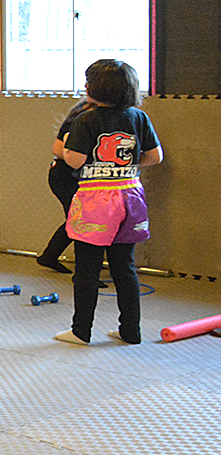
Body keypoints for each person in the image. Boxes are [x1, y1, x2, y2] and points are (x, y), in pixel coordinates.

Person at [55, 60, 162, 346]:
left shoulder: (85, 120)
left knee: (87, 268)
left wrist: (68, 147)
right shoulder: (139, 117)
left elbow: (75, 159)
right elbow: (155, 156)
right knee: (124, 267)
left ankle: (80, 331)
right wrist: (123, 165)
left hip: (97, 202)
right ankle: (131, 331)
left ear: (97, 88)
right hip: (130, 197)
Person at [35, 98, 92, 273]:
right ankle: (85, 271)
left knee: (76, 220)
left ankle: (49, 256)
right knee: (80, 221)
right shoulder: (84, 114)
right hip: (65, 176)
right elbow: (58, 149)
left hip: (74, 176)